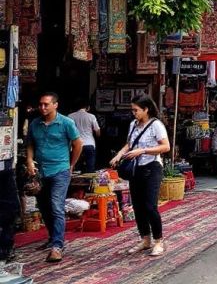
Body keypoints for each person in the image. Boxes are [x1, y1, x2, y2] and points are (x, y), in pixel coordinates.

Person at [110, 95, 170, 257]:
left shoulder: (156, 125)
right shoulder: (133, 125)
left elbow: (165, 147)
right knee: (138, 206)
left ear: (146, 110)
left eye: (136, 110)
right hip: (136, 169)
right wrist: (119, 155)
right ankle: (145, 239)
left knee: (150, 206)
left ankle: (158, 240)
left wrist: (143, 151)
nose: (133, 113)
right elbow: (130, 143)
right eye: (132, 110)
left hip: (152, 167)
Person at [26, 92, 82, 263]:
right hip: (41, 171)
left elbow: (78, 144)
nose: (43, 107)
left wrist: (71, 165)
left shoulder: (66, 123)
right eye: (41, 104)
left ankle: (57, 246)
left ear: (55, 105)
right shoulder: (35, 123)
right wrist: (29, 160)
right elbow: (30, 144)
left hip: (60, 169)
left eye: (46, 104)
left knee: (56, 206)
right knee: (44, 206)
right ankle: (52, 237)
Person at [68, 100, 101, 173]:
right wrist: (97, 136)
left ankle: (75, 183)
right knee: (90, 168)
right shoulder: (91, 116)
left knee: (76, 168)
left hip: (75, 145)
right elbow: (97, 131)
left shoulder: (70, 116)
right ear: (88, 107)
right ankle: (89, 182)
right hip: (89, 144)